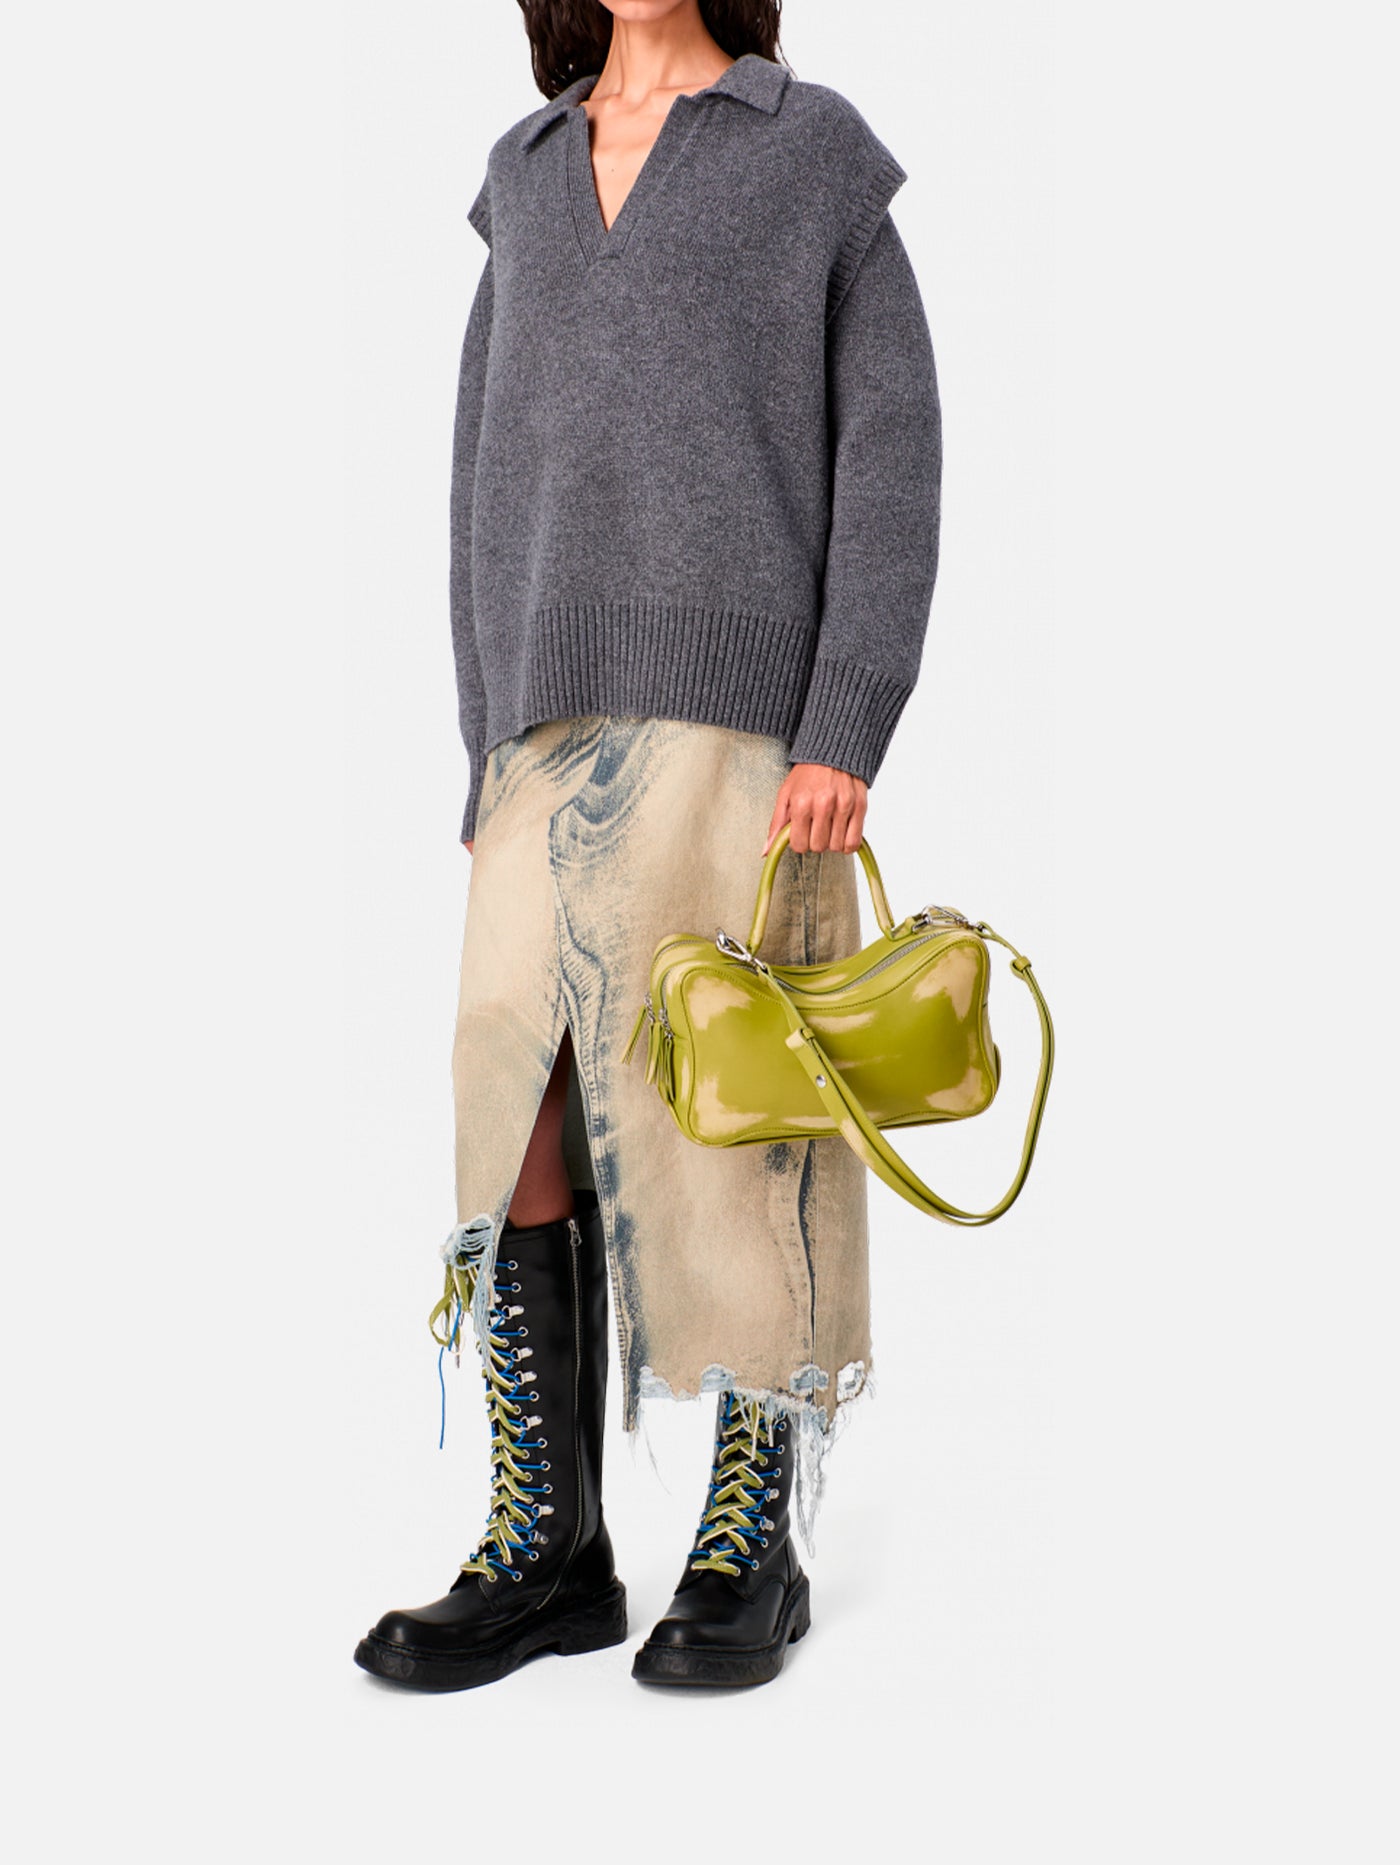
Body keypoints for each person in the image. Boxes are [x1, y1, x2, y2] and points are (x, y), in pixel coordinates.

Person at [354, 0, 942, 1693]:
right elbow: (480, 485)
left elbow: (894, 450)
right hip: (542, 733)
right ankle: (550, 1547)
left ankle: (752, 1539)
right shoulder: (526, 173)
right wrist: (484, 739)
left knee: (734, 1101)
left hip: (749, 737)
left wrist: (844, 722)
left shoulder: (805, 153)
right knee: (514, 1085)